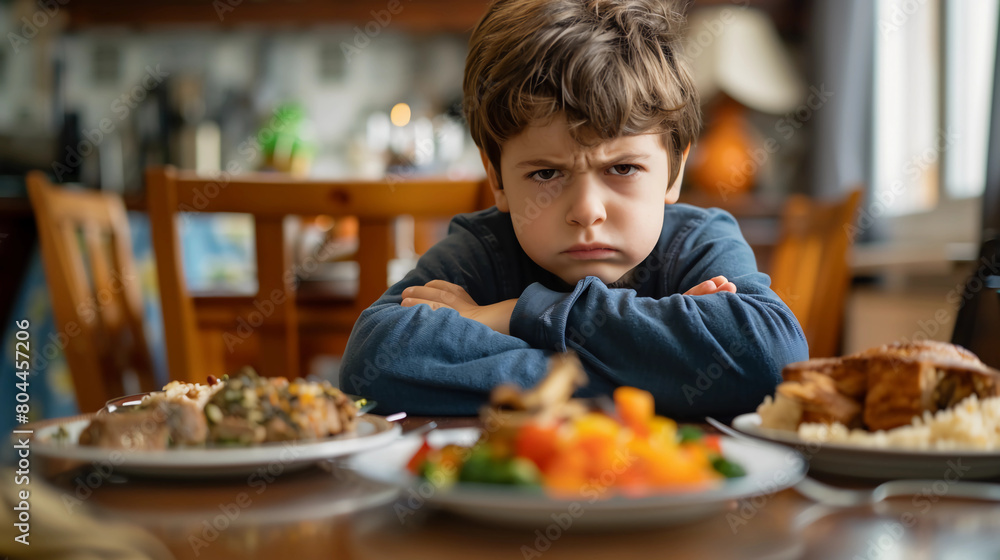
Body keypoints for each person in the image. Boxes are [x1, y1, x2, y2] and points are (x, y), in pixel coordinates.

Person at [340, 0, 808, 418]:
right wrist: (662, 363)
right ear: (498, 179)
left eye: (622, 168)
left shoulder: (698, 241)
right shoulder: (485, 247)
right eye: (545, 174)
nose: (586, 211)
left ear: (674, 170)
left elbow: (772, 359)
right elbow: (374, 361)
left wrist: (518, 314)